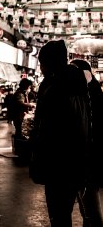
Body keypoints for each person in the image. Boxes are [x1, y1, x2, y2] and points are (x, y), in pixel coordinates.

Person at [29, 40, 92, 226]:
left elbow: (54, 126)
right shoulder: (72, 82)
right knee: (62, 213)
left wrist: (38, 144)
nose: (40, 68)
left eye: (42, 63)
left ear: (52, 62)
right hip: (71, 160)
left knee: (59, 213)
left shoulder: (59, 86)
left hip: (60, 160)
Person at [70, 58, 103, 226]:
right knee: (89, 205)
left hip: (88, 158)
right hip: (88, 158)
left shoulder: (89, 94)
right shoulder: (93, 91)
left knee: (91, 207)